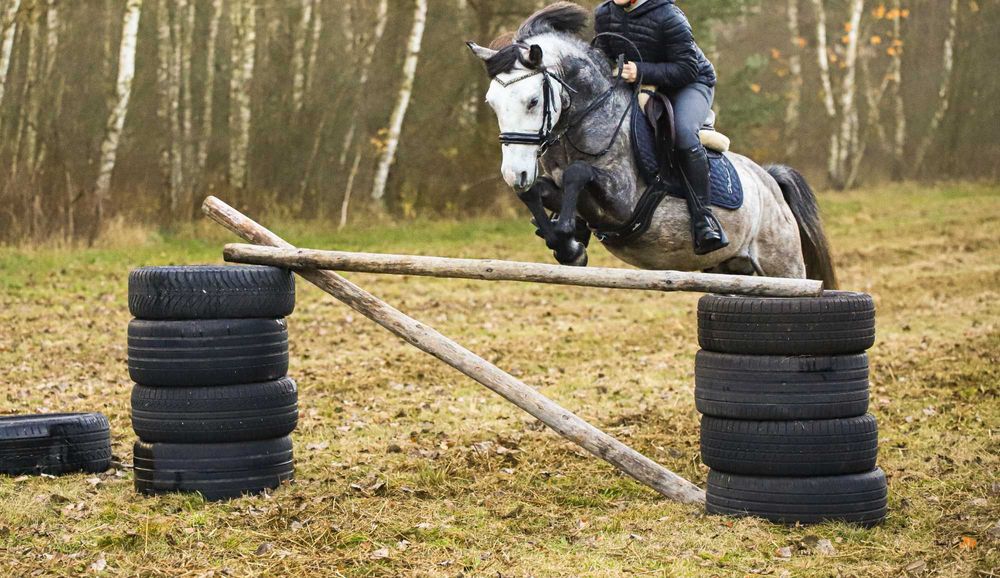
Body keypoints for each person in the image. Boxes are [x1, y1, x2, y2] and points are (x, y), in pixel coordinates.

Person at [595, 0, 729, 255]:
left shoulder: (669, 16)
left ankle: (704, 220)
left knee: (682, 134)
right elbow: (604, 57)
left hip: (690, 84)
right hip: (639, 83)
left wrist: (641, 71)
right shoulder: (604, 14)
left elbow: (687, 69)